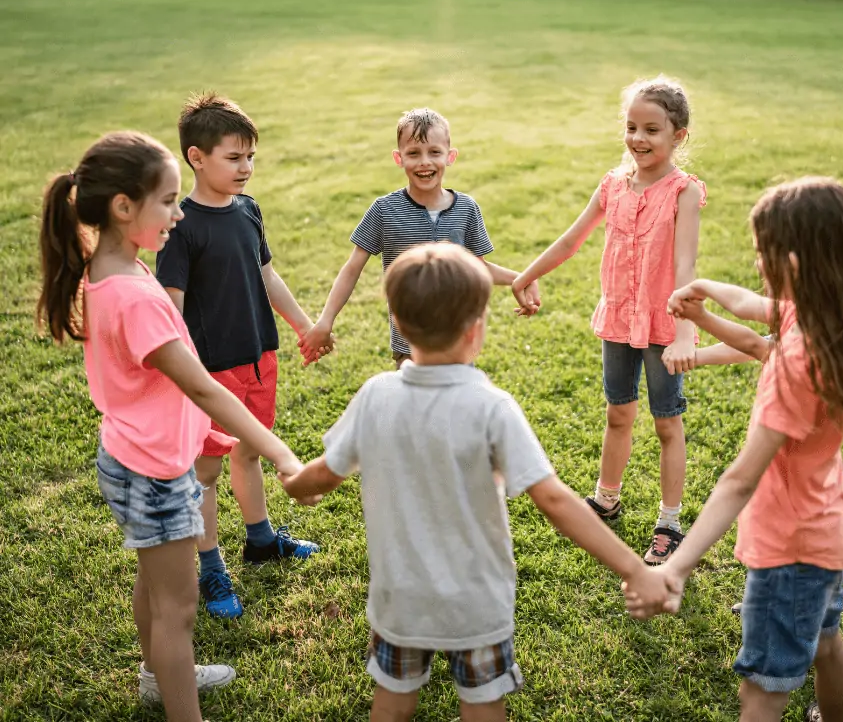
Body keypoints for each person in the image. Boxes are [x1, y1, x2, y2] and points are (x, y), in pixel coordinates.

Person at [279, 243, 667, 721]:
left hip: (400, 599)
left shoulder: (376, 395)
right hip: (476, 603)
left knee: (392, 705)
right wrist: (635, 569)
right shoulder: (492, 408)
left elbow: (326, 472)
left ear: (397, 325)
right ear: (476, 330)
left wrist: (296, 484)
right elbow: (555, 500)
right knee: (482, 707)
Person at [36, 131, 305, 722]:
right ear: (123, 207)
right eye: (168, 201)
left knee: (156, 584)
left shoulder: (105, 271)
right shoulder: (138, 299)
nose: (178, 215)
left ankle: (157, 674)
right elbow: (205, 388)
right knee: (178, 611)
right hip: (153, 470)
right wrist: (281, 454)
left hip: (135, 458)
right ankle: (176, 696)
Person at [626, 177, 843, 722]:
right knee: (825, 644)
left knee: (763, 690)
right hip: (826, 528)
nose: (757, 264)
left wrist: (676, 568)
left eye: (762, 253)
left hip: (789, 546)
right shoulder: (829, 316)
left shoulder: (797, 363)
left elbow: (738, 481)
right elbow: (754, 310)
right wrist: (703, 296)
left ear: (794, 262)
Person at [511, 76, 706, 564]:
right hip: (618, 319)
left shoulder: (683, 192)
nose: (639, 139)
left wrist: (685, 331)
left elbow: (685, 267)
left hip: (664, 325)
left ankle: (669, 523)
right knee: (618, 412)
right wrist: (524, 275)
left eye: (652, 130)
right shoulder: (613, 185)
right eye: (632, 127)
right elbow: (570, 239)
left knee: (667, 424)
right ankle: (606, 498)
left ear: (678, 135)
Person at [156, 93, 323, 619]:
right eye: (234, 157)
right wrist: (187, 375)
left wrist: (303, 324)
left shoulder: (248, 210)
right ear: (196, 157)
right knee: (205, 472)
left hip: (258, 356)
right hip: (210, 371)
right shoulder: (180, 227)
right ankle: (210, 567)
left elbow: (266, 275)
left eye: (250, 157)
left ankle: (260, 539)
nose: (245, 168)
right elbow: (172, 310)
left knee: (248, 453)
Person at [300, 107, 540, 369]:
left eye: (434, 152)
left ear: (450, 156)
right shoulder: (384, 210)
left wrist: (521, 279)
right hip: (410, 346)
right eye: (413, 153)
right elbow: (352, 269)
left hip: (458, 342)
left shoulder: (466, 208)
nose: (424, 162)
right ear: (398, 158)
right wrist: (325, 321)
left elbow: (477, 268)